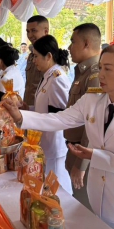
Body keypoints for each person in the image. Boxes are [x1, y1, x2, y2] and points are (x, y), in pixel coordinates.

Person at [3, 43, 114, 229]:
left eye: (107, 69)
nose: (100, 74)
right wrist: (21, 117)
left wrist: (95, 155)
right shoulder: (92, 99)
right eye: (100, 67)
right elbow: (61, 119)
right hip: (97, 198)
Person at [27, 35, 72, 193]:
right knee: (48, 188)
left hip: (54, 143)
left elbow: (61, 115)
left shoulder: (57, 78)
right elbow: (44, 109)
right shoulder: (48, 76)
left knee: (58, 189)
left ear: (49, 56)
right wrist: (27, 108)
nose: (34, 60)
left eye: (36, 56)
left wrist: (26, 117)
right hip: (45, 141)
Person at [65, 23, 101, 209]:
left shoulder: (95, 75)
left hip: (84, 155)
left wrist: (81, 164)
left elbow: (92, 125)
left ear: (86, 43)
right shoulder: (83, 72)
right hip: (75, 149)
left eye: (73, 42)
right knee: (78, 203)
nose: (69, 47)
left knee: (85, 211)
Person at [23, 15, 49, 109]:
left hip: (42, 111)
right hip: (28, 106)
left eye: (34, 30)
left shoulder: (51, 57)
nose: (30, 35)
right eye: (28, 31)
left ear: (46, 31)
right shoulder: (31, 56)